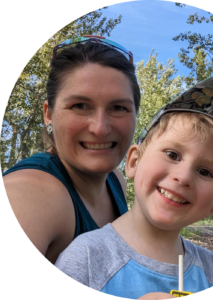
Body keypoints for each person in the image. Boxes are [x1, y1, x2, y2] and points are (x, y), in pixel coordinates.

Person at [54, 74, 213, 298]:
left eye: (205, 171)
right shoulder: (87, 257)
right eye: (172, 154)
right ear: (134, 162)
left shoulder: (210, 269)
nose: (184, 176)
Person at [2, 36, 140, 265]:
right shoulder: (29, 195)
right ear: (49, 114)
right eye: (80, 106)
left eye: (118, 107)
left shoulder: (116, 181)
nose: (100, 128)